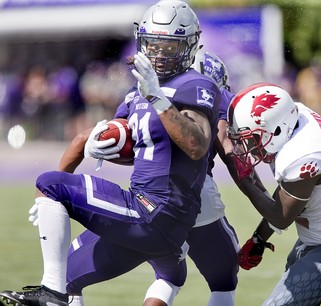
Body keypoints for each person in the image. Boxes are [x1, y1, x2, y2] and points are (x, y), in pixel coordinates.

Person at [0, 1, 221, 306]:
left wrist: (157, 98)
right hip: (156, 229)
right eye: (152, 45)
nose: (158, 54)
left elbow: (196, 146)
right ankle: (56, 292)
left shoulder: (195, 84)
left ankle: (51, 294)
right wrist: (97, 145)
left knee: (51, 182)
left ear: (189, 46)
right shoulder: (136, 92)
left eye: (168, 47)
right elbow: (128, 143)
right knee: (69, 276)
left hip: (155, 211)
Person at [227, 82, 321, 305]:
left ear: (277, 130)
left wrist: (244, 180)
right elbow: (285, 194)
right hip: (314, 240)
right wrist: (259, 238)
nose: (247, 146)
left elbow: (281, 217)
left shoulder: (306, 152)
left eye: (251, 138)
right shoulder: (291, 117)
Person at [143, 49, 242, 306]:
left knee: (167, 277)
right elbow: (224, 145)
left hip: (152, 190)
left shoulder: (153, 91)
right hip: (196, 190)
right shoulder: (208, 92)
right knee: (224, 281)